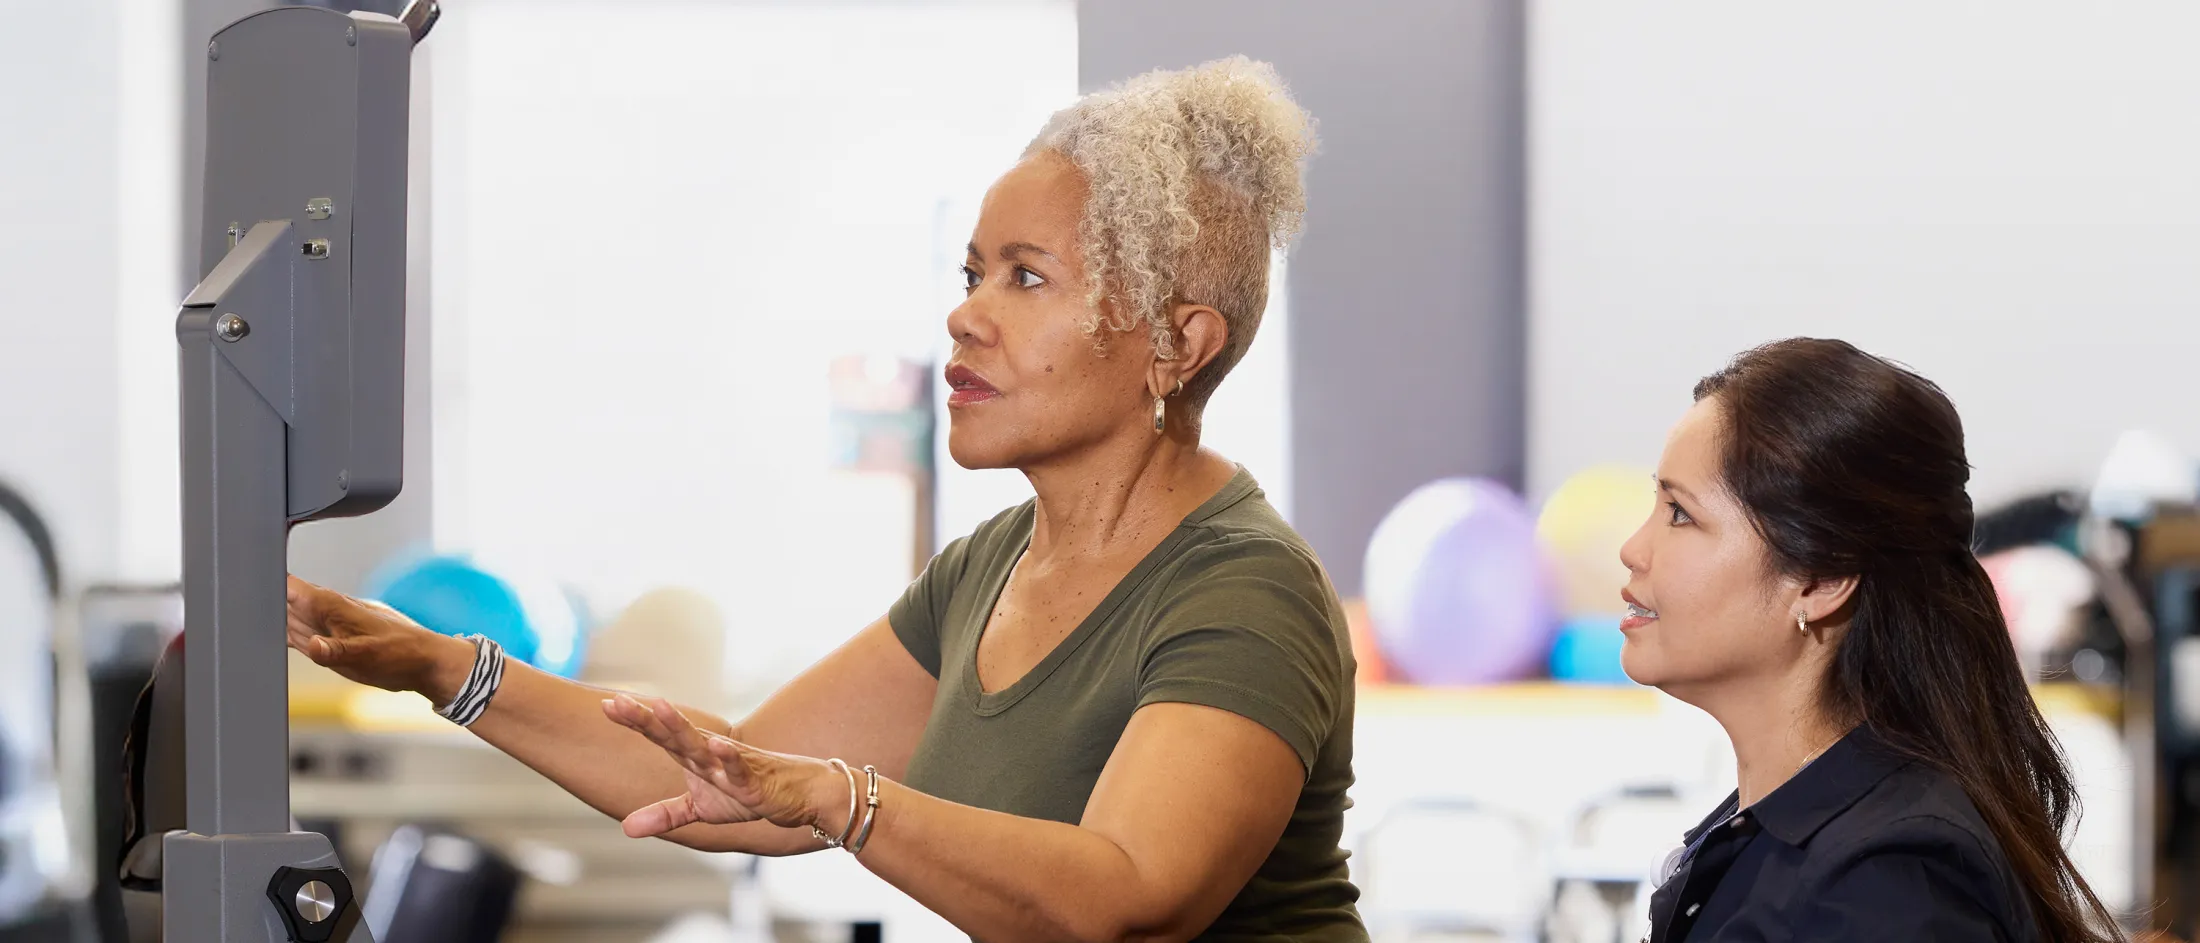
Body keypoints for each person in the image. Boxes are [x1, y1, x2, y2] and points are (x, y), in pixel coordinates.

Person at [285, 57, 1366, 942]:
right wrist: (435, 664)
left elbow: (1124, 898)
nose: (966, 317)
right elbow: (730, 779)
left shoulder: (1243, 592)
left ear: (1178, 343)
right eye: (970, 273)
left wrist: (849, 801)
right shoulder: (992, 567)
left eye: (1026, 278)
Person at [1618, 337, 2120, 942]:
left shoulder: (1888, 886)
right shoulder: (1777, 836)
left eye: (1680, 514)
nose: (1632, 550)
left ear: (1821, 579)